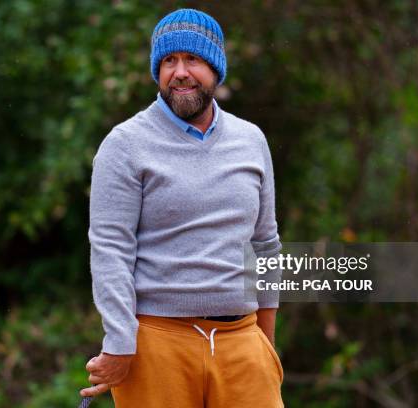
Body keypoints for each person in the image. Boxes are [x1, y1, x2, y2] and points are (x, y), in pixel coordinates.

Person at [81, 8, 284, 407]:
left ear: (216, 68)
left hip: (243, 344)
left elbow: (265, 246)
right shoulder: (124, 144)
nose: (180, 72)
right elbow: (110, 250)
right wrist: (120, 343)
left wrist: (266, 344)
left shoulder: (251, 140)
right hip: (157, 344)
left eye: (193, 59)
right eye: (169, 61)